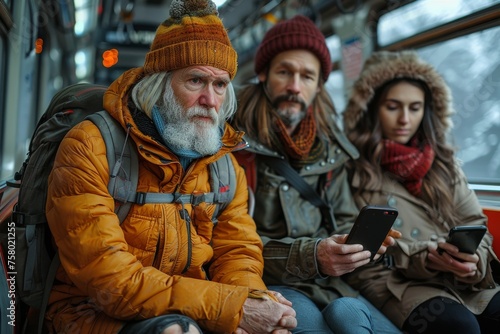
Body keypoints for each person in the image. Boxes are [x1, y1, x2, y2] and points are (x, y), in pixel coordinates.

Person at [44, 1, 297, 333]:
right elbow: (108, 276)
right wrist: (228, 307)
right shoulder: (92, 146)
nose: (210, 99)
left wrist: (252, 300)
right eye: (195, 80)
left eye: (220, 85)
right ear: (159, 85)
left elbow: (237, 253)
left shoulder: (224, 168)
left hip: (194, 307)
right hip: (91, 312)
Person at [231, 15, 401, 334]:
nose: (295, 86)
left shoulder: (330, 147)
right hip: (265, 280)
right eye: (285, 72)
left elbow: (346, 216)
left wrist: (357, 244)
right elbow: (228, 241)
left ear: (319, 84)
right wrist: (313, 256)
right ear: (264, 74)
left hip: (331, 282)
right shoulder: (233, 142)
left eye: (307, 76)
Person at [342, 50, 500, 334]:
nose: (405, 118)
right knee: (458, 327)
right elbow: (363, 250)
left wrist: (475, 260)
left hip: (461, 278)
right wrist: (425, 257)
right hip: (396, 282)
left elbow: (477, 226)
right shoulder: (351, 170)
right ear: (372, 110)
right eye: (393, 106)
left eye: (415, 108)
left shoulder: (444, 165)